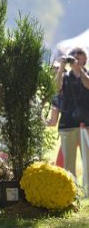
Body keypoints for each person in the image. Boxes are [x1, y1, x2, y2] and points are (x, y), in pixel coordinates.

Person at [55, 47, 89, 186]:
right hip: (67, 123)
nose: (75, 56)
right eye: (72, 54)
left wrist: (78, 69)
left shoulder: (86, 74)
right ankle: (72, 191)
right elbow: (56, 88)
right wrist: (61, 67)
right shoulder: (65, 76)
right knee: (69, 162)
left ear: (85, 58)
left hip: (86, 123)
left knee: (87, 160)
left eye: (79, 53)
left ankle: (87, 190)